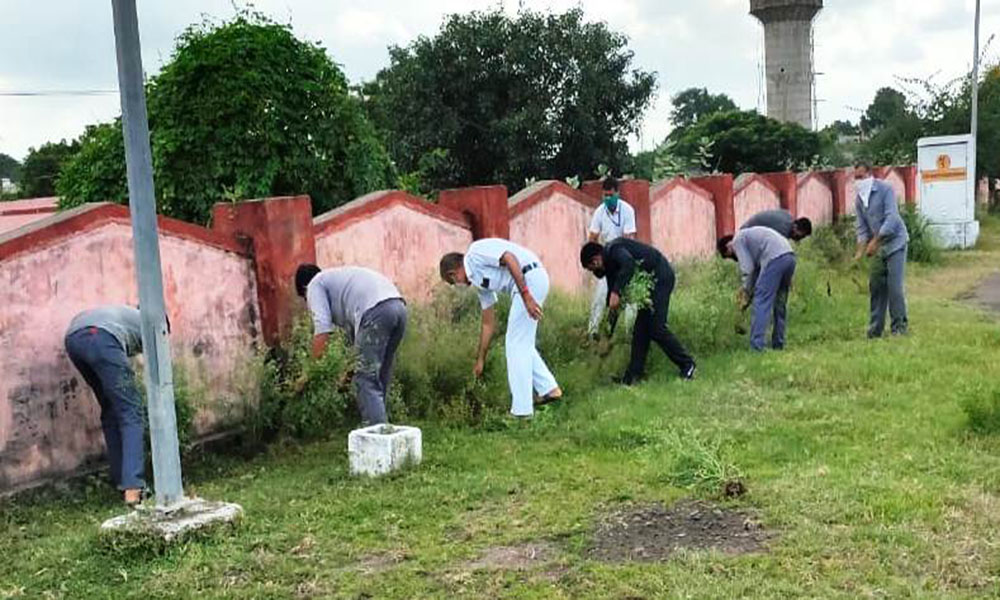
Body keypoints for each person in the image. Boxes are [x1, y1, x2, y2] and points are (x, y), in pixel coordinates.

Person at [439, 239, 562, 418]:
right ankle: (550, 389)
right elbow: (488, 323)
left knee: (515, 344)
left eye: (453, 282)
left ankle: (521, 411)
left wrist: (526, 296)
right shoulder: (479, 283)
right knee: (521, 342)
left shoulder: (475, 253)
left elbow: (509, 258)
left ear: (453, 274)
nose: (456, 286)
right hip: (527, 285)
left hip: (529, 278)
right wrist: (480, 359)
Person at [295, 264, 408, 425]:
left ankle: (377, 437)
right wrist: (347, 376)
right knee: (380, 375)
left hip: (375, 311)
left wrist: (309, 373)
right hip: (398, 307)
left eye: (306, 299)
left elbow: (322, 331)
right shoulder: (338, 284)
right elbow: (357, 348)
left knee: (366, 379)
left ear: (304, 289)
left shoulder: (314, 285)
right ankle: (385, 430)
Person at [580, 238, 696, 385]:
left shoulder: (614, 249)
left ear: (596, 260)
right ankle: (633, 377)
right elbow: (613, 303)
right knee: (640, 330)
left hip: (661, 277)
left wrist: (617, 291)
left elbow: (629, 264)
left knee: (656, 328)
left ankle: (688, 364)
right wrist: (607, 334)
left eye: (592, 268)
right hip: (650, 286)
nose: (594, 272)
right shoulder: (610, 267)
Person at [64, 305, 147, 505]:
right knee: (132, 412)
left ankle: (121, 479)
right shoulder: (155, 322)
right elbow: (154, 367)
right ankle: (133, 490)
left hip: (74, 339)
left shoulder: (124, 314)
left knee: (111, 409)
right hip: (101, 337)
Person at [717, 226, 797, 352]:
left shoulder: (737, 240)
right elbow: (756, 273)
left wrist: (745, 293)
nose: (734, 258)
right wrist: (749, 291)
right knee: (780, 303)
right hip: (790, 257)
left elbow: (748, 271)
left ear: (728, 246)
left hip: (774, 258)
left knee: (761, 301)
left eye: (730, 255)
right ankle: (778, 344)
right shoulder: (750, 240)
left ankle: (756, 346)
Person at [853, 162, 909, 337]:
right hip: (878, 247)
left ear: (870, 174)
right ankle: (875, 329)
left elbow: (892, 218)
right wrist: (859, 252)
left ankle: (899, 328)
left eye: (861, 177)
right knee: (876, 287)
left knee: (894, 287)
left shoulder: (885, 189)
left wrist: (875, 241)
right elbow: (862, 228)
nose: (858, 181)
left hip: (895, 243)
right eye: (855, 178)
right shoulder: (860, 199)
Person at [587, 177, 637, 336]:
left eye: (610, 195)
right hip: (606, 259)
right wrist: (595, 260)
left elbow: (630, 238)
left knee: (630, 299)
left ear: (617, 193)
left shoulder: (627, 210)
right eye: (605, 195)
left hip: (624, 257)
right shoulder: (600, 212)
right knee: (601, 297)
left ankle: (629, 335)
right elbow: (593, 237)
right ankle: (593, 332)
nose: (607, 198)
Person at [741, 209, 813, 241]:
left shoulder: (787, 215)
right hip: (745, 236)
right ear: (795, 227)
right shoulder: (783, 231)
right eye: (801, 236)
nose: (799, 239)